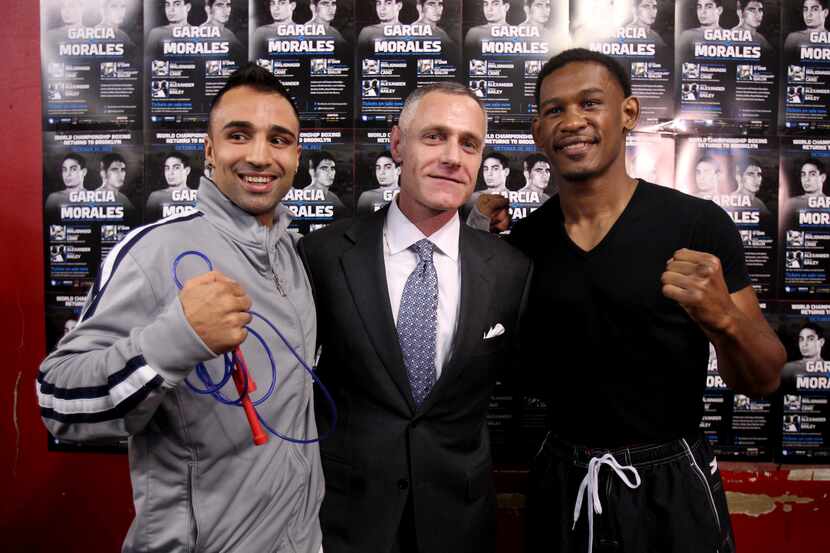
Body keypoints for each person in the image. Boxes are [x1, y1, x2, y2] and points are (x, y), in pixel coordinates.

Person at [474, 48, 784, 553]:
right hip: (563, 474)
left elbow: (765, 377)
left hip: (672, 476)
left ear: (629, 114)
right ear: (537, 133)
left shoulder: (696, 225)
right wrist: (475, 241)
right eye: (555, 110)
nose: (572, 121)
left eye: (590, 103)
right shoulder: (524, 245)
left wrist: (723, 317)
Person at [37, 64, 324, 553]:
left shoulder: (294, 255)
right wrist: (174, 341)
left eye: (278, 140)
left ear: (296, 155)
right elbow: (57, 401)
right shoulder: (155, 251)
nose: (260, 155)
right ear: (209, 151)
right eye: (239, 135)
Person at [298, 82, 532, 553]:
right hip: (346, 520)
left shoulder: (511, 271)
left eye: (469, 144)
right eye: (434, 137)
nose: (453, 156)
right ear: (397, 144)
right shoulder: (323, 254)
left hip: (459, 524)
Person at [145, 152, 197, 220]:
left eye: (176, 168)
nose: (170, 173)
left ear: (187, 170)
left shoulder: (198, 197)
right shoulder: (156, 196)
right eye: (167, 168)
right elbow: (148, 226)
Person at [45, 153, 88, 217]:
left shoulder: (94, 197)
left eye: (73, 169)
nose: (67, 174)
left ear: (84, 172)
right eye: (64, 170)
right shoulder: (54, 198)